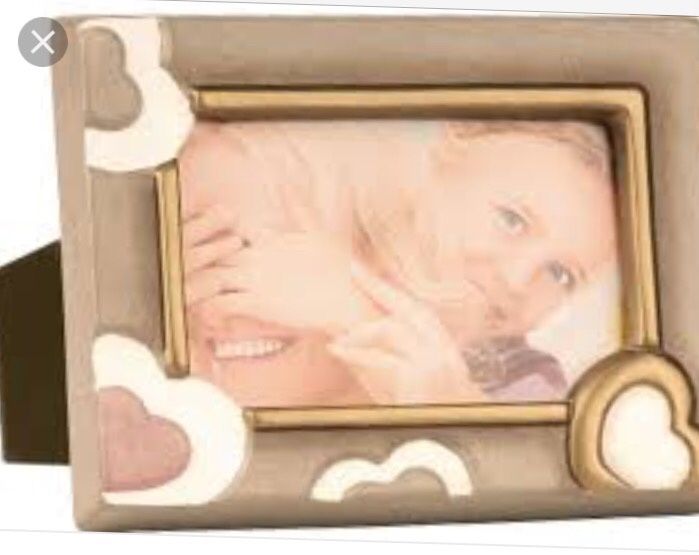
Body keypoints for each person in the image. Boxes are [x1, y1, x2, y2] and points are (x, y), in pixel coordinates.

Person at [178, 118, 619, 407]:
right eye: (511, 220)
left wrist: (365, 319)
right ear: (438, 168)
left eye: (561, 274)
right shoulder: (309, 194)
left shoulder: (527, 382)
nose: (517, 279)